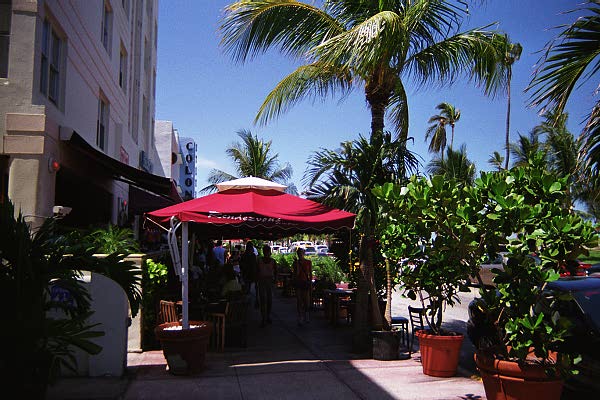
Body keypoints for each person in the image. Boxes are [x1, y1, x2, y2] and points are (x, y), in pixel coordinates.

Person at [256, 245, 277, 327]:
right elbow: (257, 272)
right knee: (263, 300)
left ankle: (266, 316)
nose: (267, 253)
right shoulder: (260, 261)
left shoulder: (272, 261)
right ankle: (264, 317)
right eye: (266, 251)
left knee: (268, 300)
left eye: (267, 251)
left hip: (269, 282)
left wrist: (275, 280)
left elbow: (276, 271)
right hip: (262, 281)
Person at [293, 247, 313, 326]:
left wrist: (310, 283)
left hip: (305, 282)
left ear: (304, 254)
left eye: (301, 253)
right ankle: (300, 316)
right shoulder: (296, 263)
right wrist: (297, 264)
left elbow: (310, 273)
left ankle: (306, 314)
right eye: (299, 254)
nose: (300, 255)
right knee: (299, 300)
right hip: (298, 282)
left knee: (306, 301)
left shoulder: (308, 262)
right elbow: (296, 274)